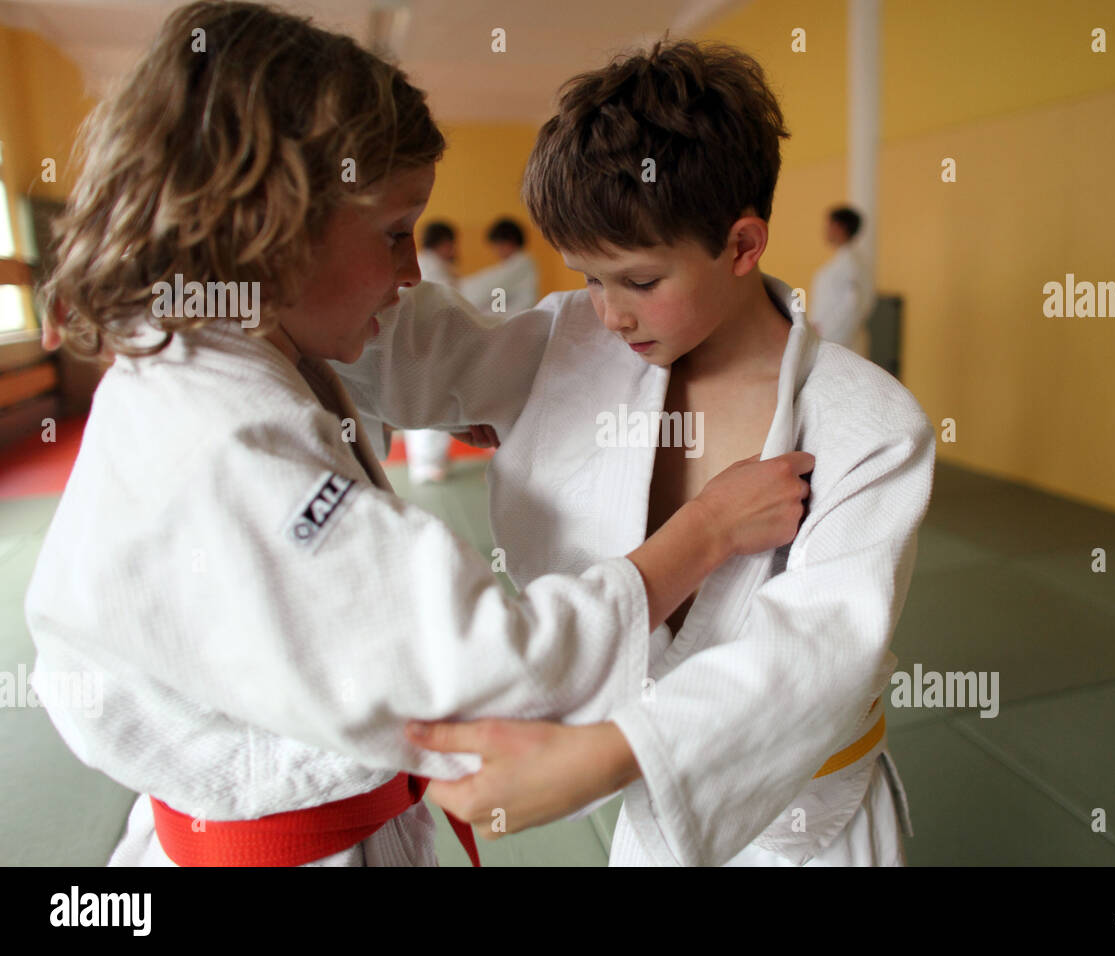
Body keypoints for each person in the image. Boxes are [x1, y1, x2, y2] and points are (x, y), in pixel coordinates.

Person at [25, 2, 813, 868]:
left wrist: (537, 389)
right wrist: (704, 534)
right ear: (270, 228)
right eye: (395, 233)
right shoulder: (225, 448)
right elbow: (488, 666)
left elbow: (413, 339)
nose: (411, 269)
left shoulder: (227, 331)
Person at [340, 39, 935, 866]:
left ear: (741, 244)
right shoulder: (566, 345)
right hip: (652, 815)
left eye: (640, 281)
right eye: (589, 277)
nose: (610, 314)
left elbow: (820, 650)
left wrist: (611, 753)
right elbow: (389, 347)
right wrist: (247, 270)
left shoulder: (869, 425)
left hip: (811, 828)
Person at [407, 220, 459, 482]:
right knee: (434, 400)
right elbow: (450, 304)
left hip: (416, 342)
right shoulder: (434, 266)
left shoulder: (421, 261)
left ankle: (424, 463)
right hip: (431, 342)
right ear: (446, 243)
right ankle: (429, 464)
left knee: (421, 400)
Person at [810, 205, 874, 354]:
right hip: (831, 340)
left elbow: (851, 306)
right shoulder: (844, 262)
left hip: (839, 342)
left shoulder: (850, 265)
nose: (825, 230)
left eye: (829, 225)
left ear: (840, 227)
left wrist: (826, 333)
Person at [458, 217, 539, 319]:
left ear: (510, 241)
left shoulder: (522, 262)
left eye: (498, 245)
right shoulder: (515, 264)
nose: (496, 251)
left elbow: (489, 286)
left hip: (519, 322)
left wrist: (459, 287)